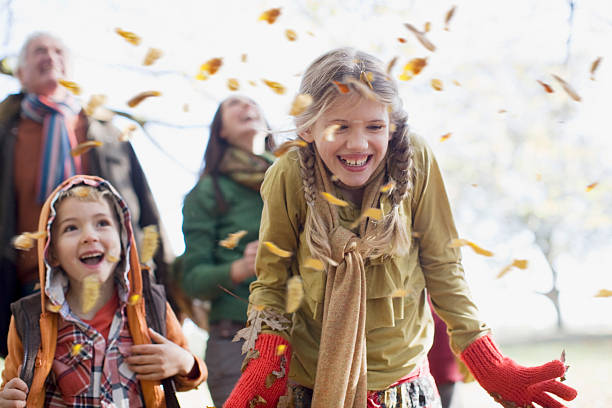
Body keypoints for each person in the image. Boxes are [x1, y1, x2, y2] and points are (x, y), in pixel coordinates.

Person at [224, 47, 578, 408]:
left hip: (405, 389)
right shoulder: (287, 175)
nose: (358, 144)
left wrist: (490, 364)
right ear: (307, 127)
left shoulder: (416, 160)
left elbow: (444, 267)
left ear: (392, 126)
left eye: (375, 127)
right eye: (339, 127)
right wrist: (267, 364)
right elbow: (273, 284)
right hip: (311, 389)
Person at [0, 31, 174, 358]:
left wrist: (165, 275)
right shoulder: (5, 129)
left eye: (57, 50)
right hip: (29, 284)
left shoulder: (107, 130)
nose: (50, 57)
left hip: (111, 281)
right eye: (38, 51)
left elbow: (145, 206)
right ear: (20, 72)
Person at [0, 175, 207, 407]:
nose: (90, 236)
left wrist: (183, 362)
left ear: (123, 239)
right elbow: (11, 387)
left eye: (102, 223)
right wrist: (8, 399)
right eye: (71, 228)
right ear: (52, 252)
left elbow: (189, 376)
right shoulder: (30, 318)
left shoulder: (151, 305)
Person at [180, 95, 275, 406]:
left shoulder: (298, 180)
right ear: (220, 130)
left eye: (253, 102)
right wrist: (242, 267)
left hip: (303, 338)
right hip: (237, 343)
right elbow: (192, 281)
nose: (248, 107)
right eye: (235, 104)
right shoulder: (207, 192)